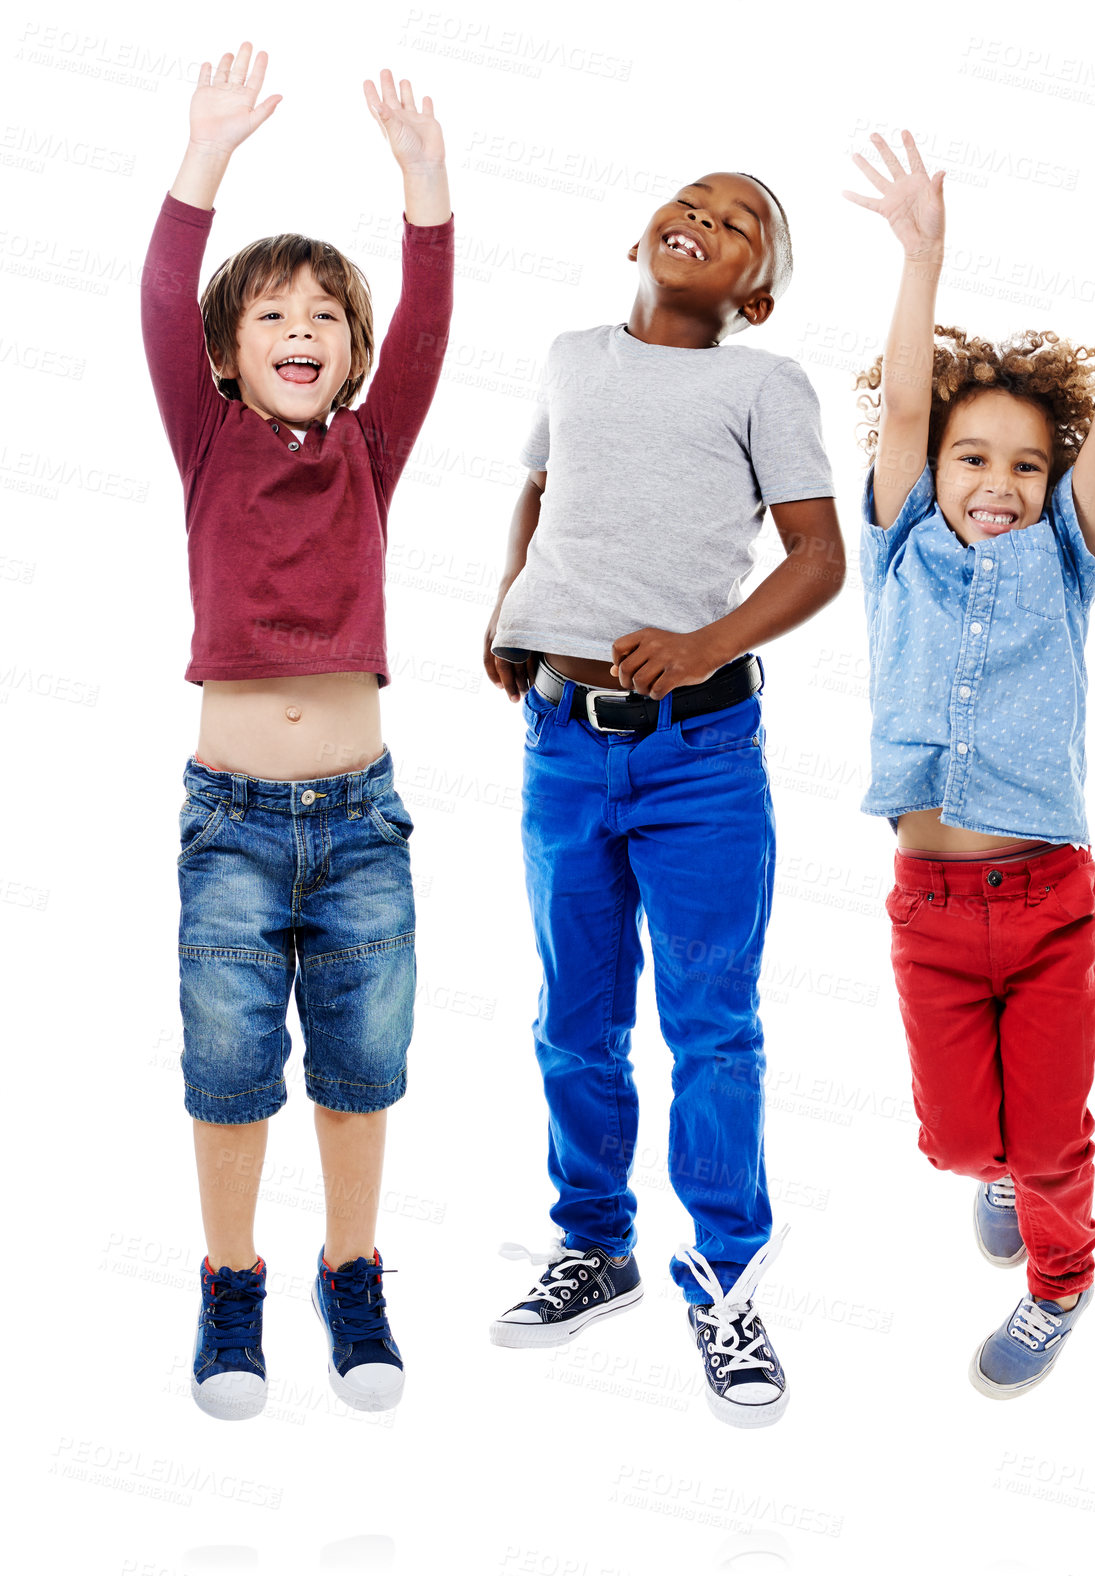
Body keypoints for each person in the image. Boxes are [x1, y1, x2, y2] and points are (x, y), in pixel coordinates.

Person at [845, 131, 1095, 1397]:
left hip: (1048, 899)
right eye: (973, 459)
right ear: (932, 472)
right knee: (960, 1144)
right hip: (933, 912)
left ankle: (1061, 1280)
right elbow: (906, 403)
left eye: (1023, 463)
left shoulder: (1064, 555)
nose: (997, 483)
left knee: (1055, 1137)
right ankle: (1003, 1169)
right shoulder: (901, 545)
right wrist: (923, 259)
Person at [483, 171, 842, 1428]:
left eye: (743, 222)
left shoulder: (761, 383)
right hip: (562, 747)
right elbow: (542, 485)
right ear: (639, 233)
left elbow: (817, 556)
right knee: (573, 1021)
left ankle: (726, 1281)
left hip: (701, 759)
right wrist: (509, 602)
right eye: (691, 201)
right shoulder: (571, 357)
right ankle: (596, 1245)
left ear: (757, 289)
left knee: (711, 1026)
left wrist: (701, 643)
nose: (708, 217)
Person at [140, 42, 453, 1419]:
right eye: (271, 315)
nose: (300, 331)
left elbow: (430, 328)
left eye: (324, 315)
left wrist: (424, 195)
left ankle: (353, 1269)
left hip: (358, 818)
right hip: (232, 823)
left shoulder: (368, 454)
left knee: (360, 1063)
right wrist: (204, 160)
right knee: (226, 1072)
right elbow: (162, 299)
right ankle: (228, 1285)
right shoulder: (206, 444)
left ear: (352, 353)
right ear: (229, 352)